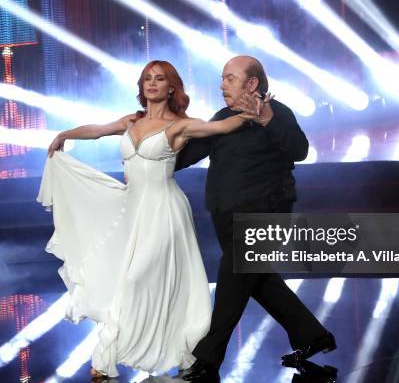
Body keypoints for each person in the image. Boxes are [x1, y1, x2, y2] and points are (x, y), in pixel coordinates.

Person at [38, 60, 259, 381]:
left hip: (165, 211)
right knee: (125, 279)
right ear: (142, 87)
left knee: (134, 279)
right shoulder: (131, 121)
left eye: (159, 79)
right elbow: (97, 131)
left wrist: (251, 113)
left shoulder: (180, 125)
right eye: (147, 79)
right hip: (132, 208)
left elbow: (219, 128)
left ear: (172, 87)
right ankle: (150, 352)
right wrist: (64, 135)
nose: (152, 84)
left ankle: (105, 357)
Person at [178, 55, 337, 382]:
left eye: (231, 78)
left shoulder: (277, 113)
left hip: (265, 215)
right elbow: (187, 155)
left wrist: (266, 119)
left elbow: (299, 149)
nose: (223, 84)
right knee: (258, 282)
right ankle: (311, 335)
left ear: (252, 84)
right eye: (223, 78)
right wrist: (152, 150)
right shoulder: (223, 118)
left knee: (231, 286)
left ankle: (207, 359)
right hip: (226, 217)